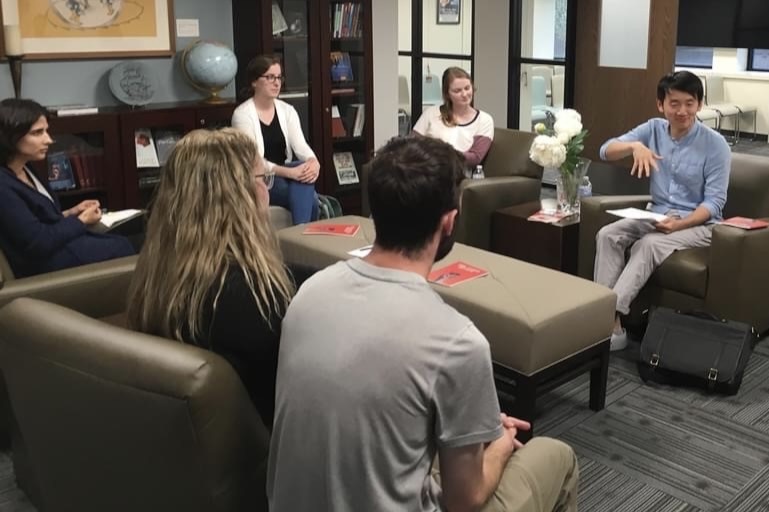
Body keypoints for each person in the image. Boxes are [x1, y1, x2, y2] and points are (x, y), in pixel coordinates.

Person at [267, 135, 578, 511]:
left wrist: (466, 421)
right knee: (556, 455)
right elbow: (465, 500)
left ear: (374, 213)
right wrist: (497, 444)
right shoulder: (458, 341)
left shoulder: (307, 293)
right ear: (449, 222)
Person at [126, 128, 297, 427]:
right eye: (262, 179)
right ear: (235, 195)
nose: (266, 191)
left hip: (187, 438)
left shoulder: (161, 273)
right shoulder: (253, 297)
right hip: (263, 444)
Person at [596, 70, 731, 351]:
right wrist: (634, 146)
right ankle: (606, 320)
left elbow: (714, 204)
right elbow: (604, 151)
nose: (682, 111)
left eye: (689, 103)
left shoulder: (715, 145)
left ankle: (609, 317)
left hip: (699, 224)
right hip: (656, 213)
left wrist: (679, 225)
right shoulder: (653, 129)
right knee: (607, 234)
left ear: (700, 105)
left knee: (648, 245)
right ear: (661, 104)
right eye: (675, 103)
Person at [0, 98, 134, 278]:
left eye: (46, 131)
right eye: (38, 133)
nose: (48, 139)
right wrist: (80, 221)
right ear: (11, 136)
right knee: (128, 247)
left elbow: (38, 220)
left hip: (61, 247)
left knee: (137, 232)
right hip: (47, 265)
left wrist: (72, 212)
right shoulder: (3, 186)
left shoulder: (26, 167)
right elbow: (37, 242)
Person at [231, 55, 320, 225]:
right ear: (254, 82)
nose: (276, 83)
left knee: (301, 168)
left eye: (279, 77)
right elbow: (253, 160)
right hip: (259, 178)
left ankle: (301, 233)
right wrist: (289, 173)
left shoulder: (288, 111)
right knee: (312, 200)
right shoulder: (242, 115)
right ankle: (302, 235)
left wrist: (313, 161)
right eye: (270, 77)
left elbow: (301, 146)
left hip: (288, 172)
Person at [413, 66, 494, 168]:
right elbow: (412, 144)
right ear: (447, 94)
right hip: (426, 169)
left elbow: (475, 158)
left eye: (467, 88)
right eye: (457, 91)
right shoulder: (431, 113)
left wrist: (438, 154)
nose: (464, 94)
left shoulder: (484, 120)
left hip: (457, 174)